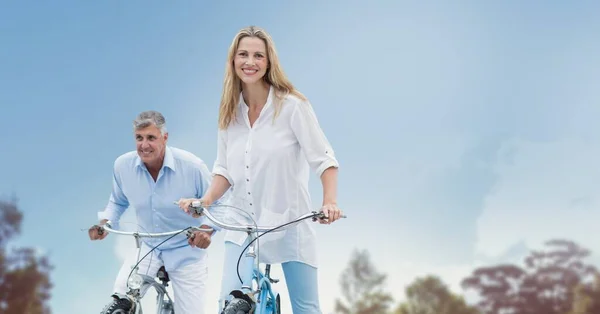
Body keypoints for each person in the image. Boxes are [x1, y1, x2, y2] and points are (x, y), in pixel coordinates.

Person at [178, 25, 343, 314]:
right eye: (243, 54)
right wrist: (204, 202)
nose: (250, 62)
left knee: (306, 308)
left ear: (269, 63)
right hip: (242, 225)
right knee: (227, 306)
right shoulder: (229, 113)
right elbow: (224, 170)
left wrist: (329, 201)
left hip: (289, 222)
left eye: (258, 56)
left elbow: (324, 159)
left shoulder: (292, 106)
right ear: (233, 60)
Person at [89, 110, 218, 314]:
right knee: (121, 301)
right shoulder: (123, 166)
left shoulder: (192, 166)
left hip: (186, 250)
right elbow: (117, 201)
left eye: (151, 137)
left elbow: (218, 202)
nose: (144, 145)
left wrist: (206, 230)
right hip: (148, 248)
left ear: (165, 138)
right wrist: (105, 223)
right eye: (139, 138)